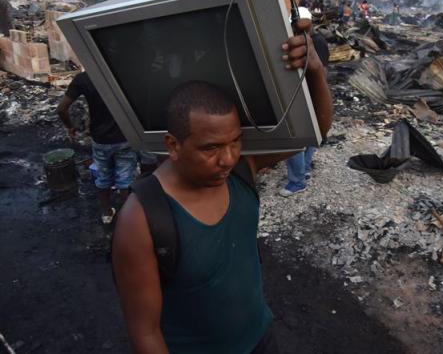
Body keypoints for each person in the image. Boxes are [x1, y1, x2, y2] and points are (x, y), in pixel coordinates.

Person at [111, 18, 333, 352]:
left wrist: (315, 70)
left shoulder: (243, 171)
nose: (227, 159)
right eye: (210, 148)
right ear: (172, 145)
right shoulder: (142, 219)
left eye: (235, 142)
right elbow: (145, 332)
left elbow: (315, 131)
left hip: (261, 339)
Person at [57, 72, 137, 224]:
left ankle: (106, 213)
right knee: (125, 179)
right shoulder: (125, 73)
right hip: (125, 136)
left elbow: (61, 109)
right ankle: (129, 218)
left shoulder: (84, 78)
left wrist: (70, 127)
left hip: (101, 140)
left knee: (103, 177)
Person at [279, 21, 330, 197]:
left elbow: (321, 71)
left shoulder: (315, 42)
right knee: (308, 133)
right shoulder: (310, 40)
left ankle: (298, 181)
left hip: (302, 95)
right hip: (306, 94)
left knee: (292, 138)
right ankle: (305, 169)